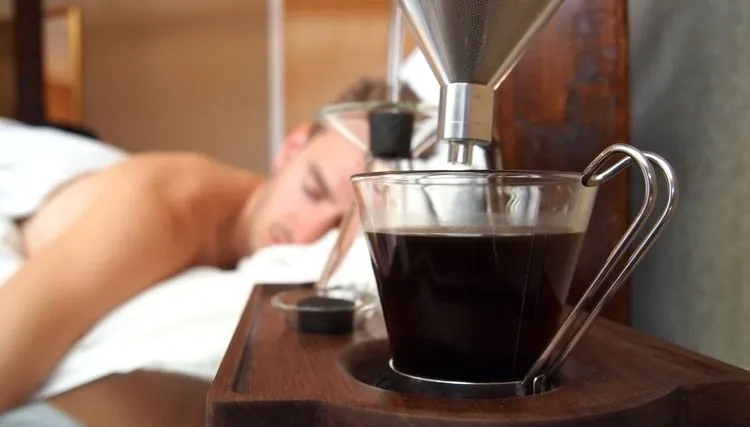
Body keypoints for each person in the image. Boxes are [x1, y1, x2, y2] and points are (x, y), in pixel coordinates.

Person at [0, 76, 419, 425]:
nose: (307, 233)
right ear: (291, 147)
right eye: (312, 191)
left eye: (335, 232)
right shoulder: (164, 210)